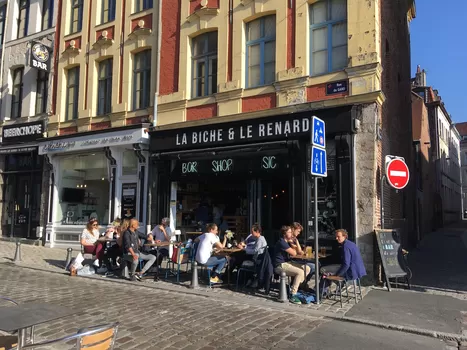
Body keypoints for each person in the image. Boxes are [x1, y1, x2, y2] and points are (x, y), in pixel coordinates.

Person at [274, 225, 310, 304]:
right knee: (300, 272)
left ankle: (296, 286)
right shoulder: (282, 242)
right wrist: (293, 245)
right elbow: (294, 253)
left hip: (288, 263)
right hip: (280, 265)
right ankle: (293, 294)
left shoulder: (286, 242)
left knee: (307, 268)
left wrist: (295, 243)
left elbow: (299, 252)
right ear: (284, 234)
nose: (291, 234)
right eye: (289, 232)